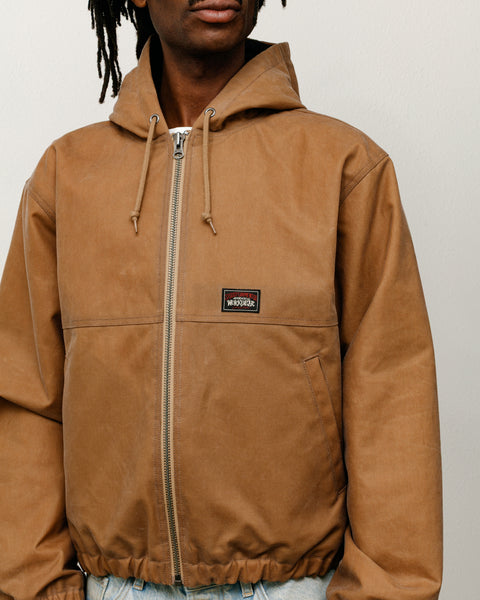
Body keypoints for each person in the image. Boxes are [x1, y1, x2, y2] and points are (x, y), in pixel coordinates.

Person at [0, 1, 443, 599]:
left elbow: (393, 398)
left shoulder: (344, 167)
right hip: (116, 587)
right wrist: (36, 588)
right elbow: (26, 397)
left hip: (294, 587)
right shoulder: (67, 176)